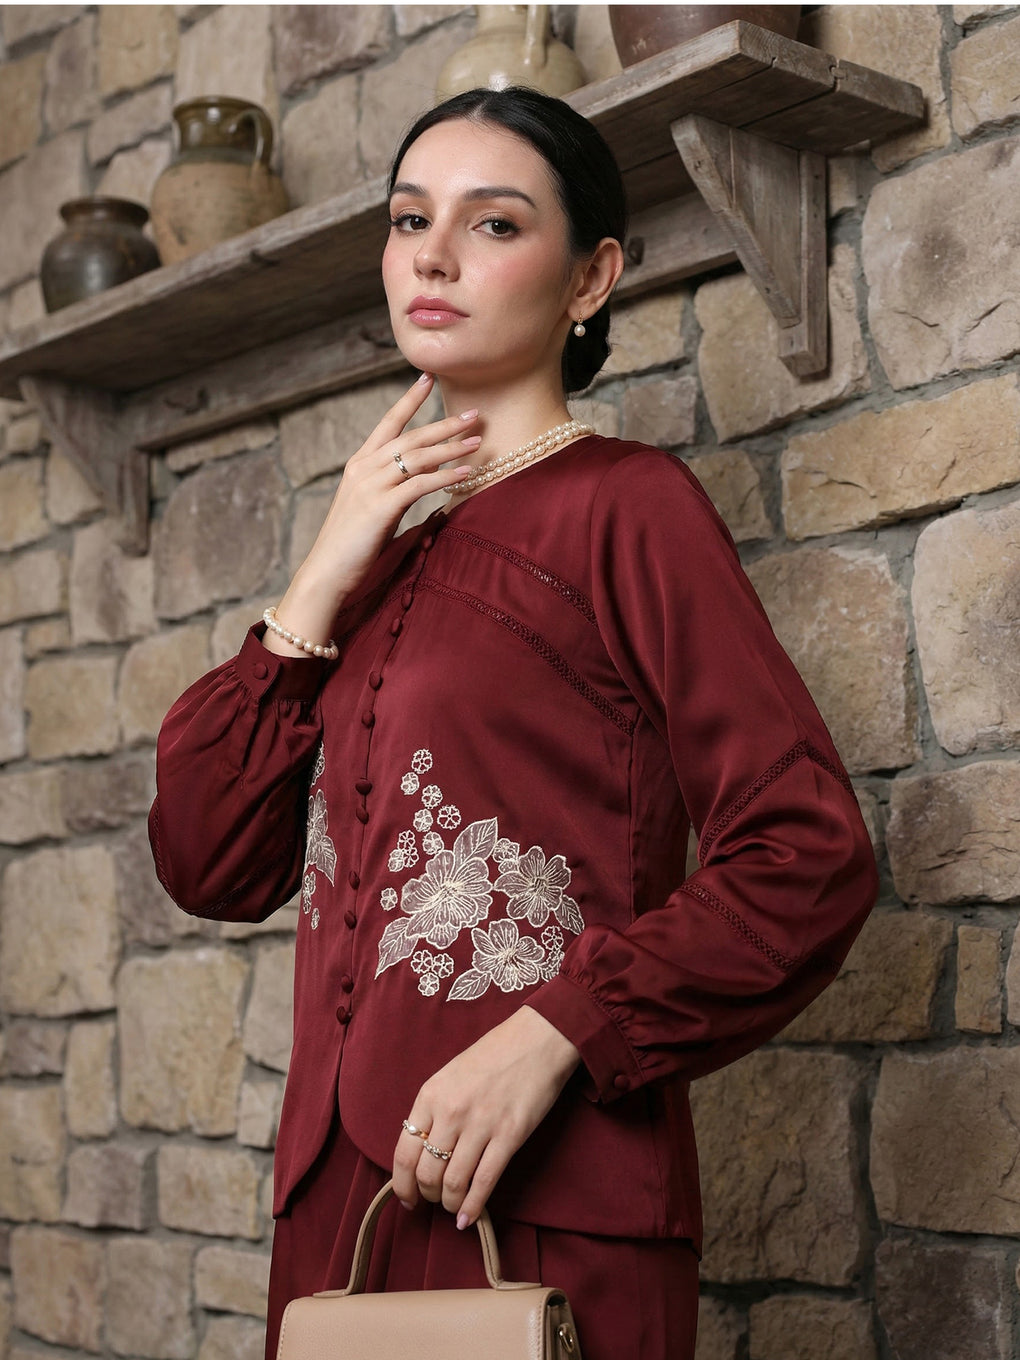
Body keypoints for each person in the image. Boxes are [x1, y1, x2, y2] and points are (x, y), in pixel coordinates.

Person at [149, 87, 877, 1360]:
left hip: (548, 1196)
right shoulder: (369, 564)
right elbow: (206, 860)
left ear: (591, 276)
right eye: (409, 220)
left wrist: (558, 1032)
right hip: (338, 1216)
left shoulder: (628, 507)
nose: (431, 256)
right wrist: (318, 574)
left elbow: (806, 853)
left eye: (492, 223)